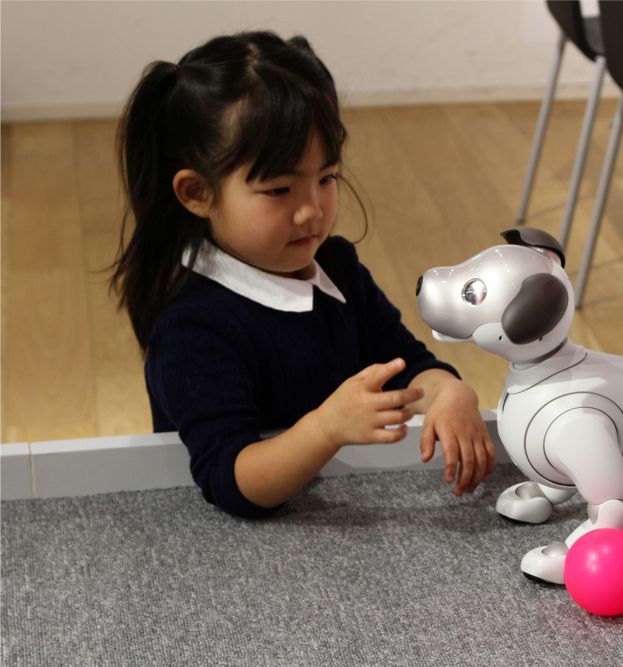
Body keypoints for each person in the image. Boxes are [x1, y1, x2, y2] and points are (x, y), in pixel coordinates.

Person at [110, 31, 495, 519]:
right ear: (197, 194)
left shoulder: (336, 266)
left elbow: (407, 364)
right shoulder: (193, 328)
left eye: (326, 178)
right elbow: (231, 481)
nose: (311, 210)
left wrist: (449, 392)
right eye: (278, 190)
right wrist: (327, 428)